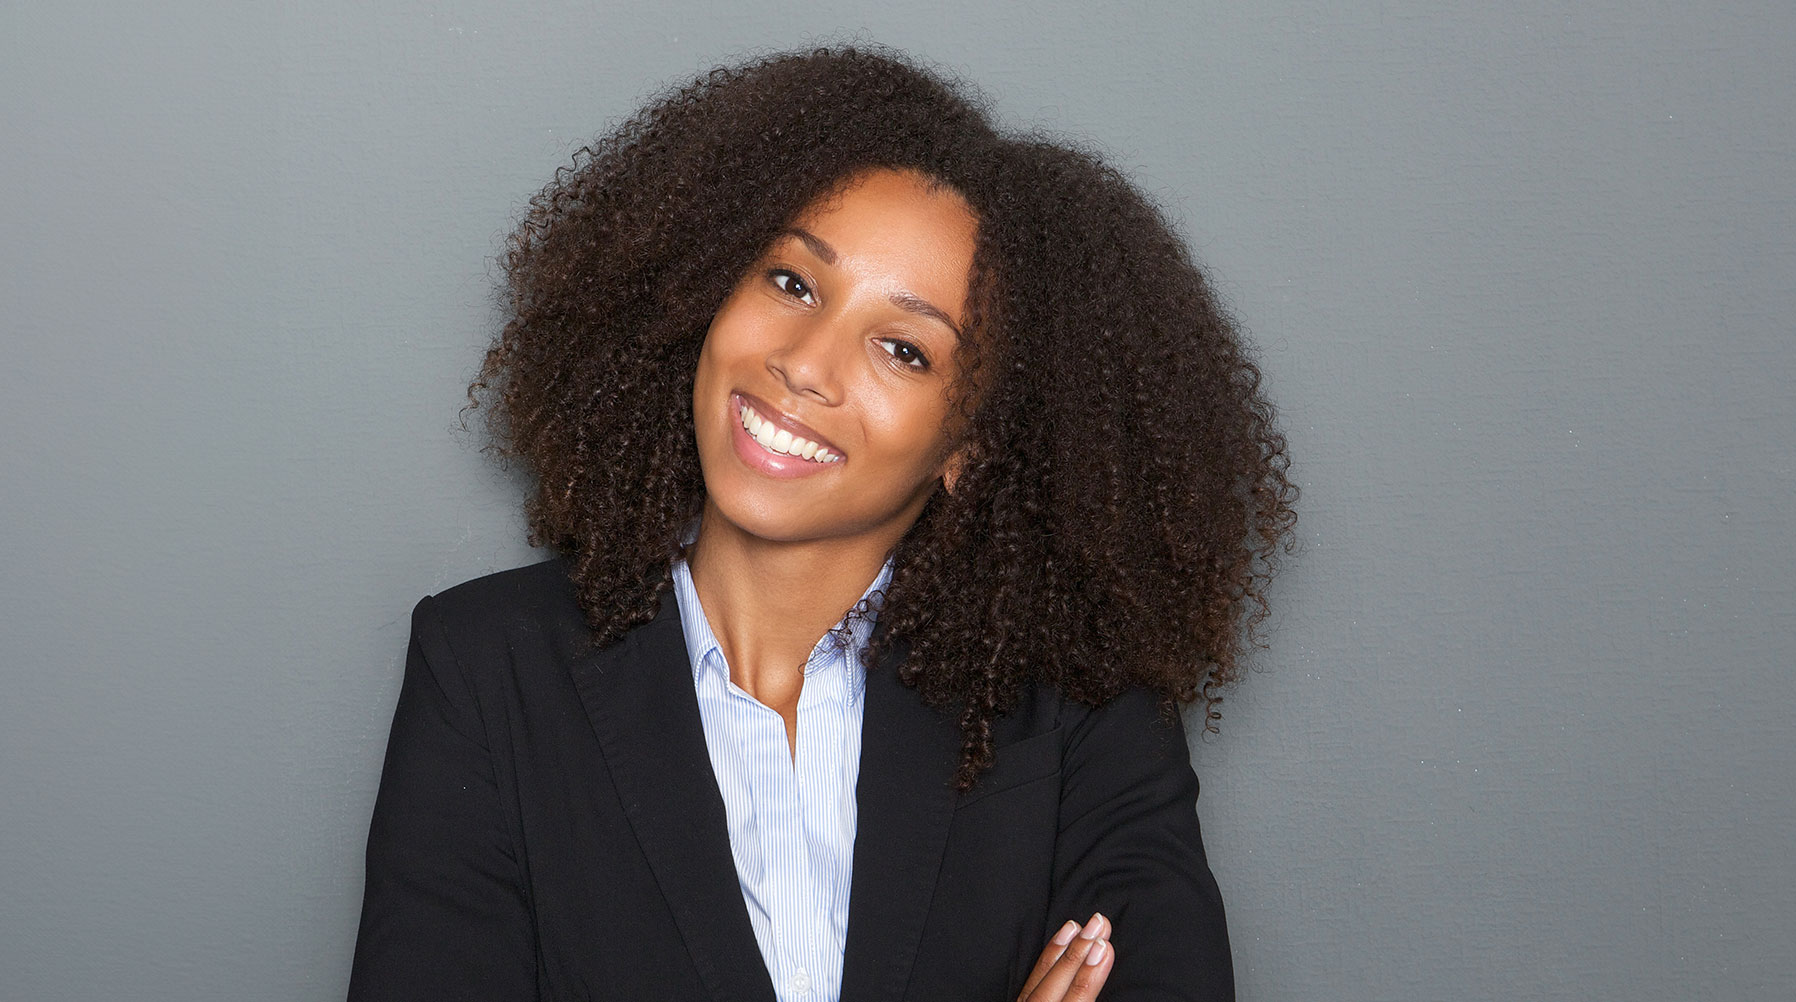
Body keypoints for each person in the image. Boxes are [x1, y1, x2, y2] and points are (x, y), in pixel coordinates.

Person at [349, 45, 1296, 1002]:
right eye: (793, 284)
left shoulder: (1083, 715)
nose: (805, 365)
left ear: (972, 444)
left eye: (903, 349)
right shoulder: (487, 668)